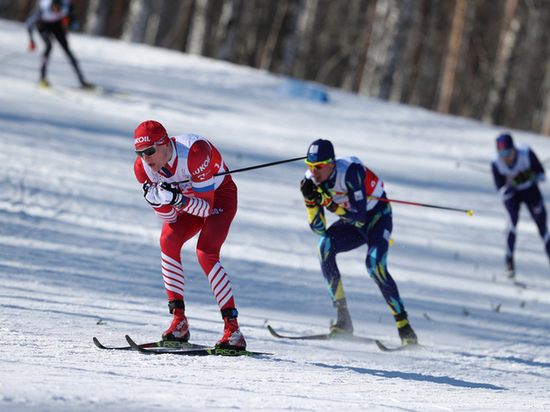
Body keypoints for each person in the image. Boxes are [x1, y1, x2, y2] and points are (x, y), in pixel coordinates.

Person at [133, 120, 246, 349]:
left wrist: (176, 199)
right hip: (187, 202)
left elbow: (205, 208)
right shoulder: (142, 168)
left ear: (164, 144)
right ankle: (178, 321)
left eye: (149, 151)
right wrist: (158, 204)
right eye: (140, 153)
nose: (146, 158)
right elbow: (171, 220)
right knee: (167, 240)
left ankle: (233, 330)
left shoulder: (195, 153)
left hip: (218, 196)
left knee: (205, 252)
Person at [300, 139, 418, 346]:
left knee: (374, 266)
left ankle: (405, 328)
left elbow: (360, 217)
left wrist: (328, 203)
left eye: (318, 166)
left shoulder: (350, 171)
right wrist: (311, 202)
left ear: (331, 164)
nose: (313, 171)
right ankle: (343, 320)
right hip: (351, 222)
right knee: (324, 247)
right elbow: (319, 228)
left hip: (377, 219)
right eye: (309, 166)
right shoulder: (310, 180)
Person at [491, 132, 550, 278]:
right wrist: (512, 184)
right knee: (512, 224)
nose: (505, 157)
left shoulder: (526, 153)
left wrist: (528, 176)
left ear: (514, 149)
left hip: (531, 193)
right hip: (513, 197)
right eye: (501, 153)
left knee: (543, 227)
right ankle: (509, 260)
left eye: (507, 152)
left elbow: (542, 175)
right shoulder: (496, 163)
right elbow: (502, 192)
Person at [26, 0, 91, 88]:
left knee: (67, 50)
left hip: (56, 25)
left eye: (59, 10)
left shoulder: (66, 6)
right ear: (51, 6)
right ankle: (42, 79)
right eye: (55, 9)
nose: (57, 11)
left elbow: (74, 22)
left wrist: (70, 23)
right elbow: (29, 24)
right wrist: (31, 40)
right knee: (49, 46)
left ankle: (82, 81)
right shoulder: (42, 8)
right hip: (43, 25)